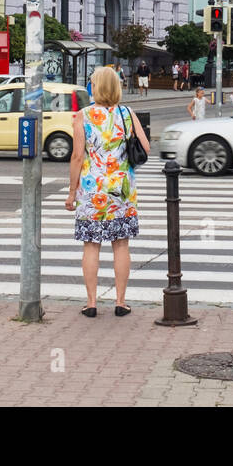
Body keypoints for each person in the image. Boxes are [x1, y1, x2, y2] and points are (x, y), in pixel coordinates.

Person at [67, 66, 149, 317]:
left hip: (92, 190)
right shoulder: (127, 113)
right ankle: (120, 302)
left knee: (91, 245)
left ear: (95, 87)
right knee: (121, 245)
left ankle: (91, 303)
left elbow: (77, 156)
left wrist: (72, 193)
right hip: (121, 189)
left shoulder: (83, 115)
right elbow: (145, 147)